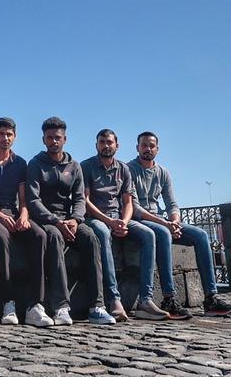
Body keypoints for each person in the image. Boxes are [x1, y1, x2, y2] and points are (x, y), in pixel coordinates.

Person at [128, 131, 231, 318]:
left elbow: (172, 204)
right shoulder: (129, 170)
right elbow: (135, 208)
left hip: (162, 220)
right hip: (141, 220)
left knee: (201, 235)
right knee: (163, 232)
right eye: (144, 145)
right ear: (137, 147)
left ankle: (211, 298)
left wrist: (175, 222)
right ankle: (168, 298)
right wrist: (165, 224)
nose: (148, 149)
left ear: (157, 149)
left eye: (152, 146)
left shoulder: (163, 172)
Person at [25, 116, 115, 325]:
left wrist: (76, 219)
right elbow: (33, 200)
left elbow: (80, 198)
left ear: (65, 139)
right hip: (46, 220)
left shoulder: (74, 166)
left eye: (58, 137)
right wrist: (56, 222)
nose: (54, 141)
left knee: (91, 238)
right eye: (50, 138)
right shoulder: (35, 164)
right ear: (44, 139)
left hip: (70, 220)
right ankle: (61, 307)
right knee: (55, 238)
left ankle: (97, 306)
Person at [81, 129, 169, 322]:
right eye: (102, 142)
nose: (106, 145)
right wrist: (109, 222)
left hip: (119, 218)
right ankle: (114, 299)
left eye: (110, 142)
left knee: (149, 234)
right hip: (96, 218)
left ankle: (145, 300)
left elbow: (128, 202)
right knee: (103, 234)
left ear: (117, 145)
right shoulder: (86, 166)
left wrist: (124, 222)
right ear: (96, 145)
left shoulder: (123, 169)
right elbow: (85, 201)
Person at [0, 117, 54, 327]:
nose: (5, 138)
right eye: (1, 134)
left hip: (14, 212)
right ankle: (8, 302)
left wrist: (24, 216)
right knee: (3, 238)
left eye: (9, 134)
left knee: (39, 235)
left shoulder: (20, 163)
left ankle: (36, 304)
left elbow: (23, 200)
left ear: (15, 137)